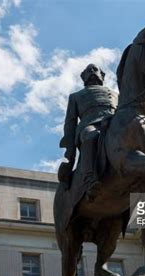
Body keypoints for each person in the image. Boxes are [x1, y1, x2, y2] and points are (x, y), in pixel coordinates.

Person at [58, 64, 118, 201]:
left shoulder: (116, 94)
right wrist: (69, 148)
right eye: (88, 71)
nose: (91, 71)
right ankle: (90, 179)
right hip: (90, 125)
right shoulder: (75, 96)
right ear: (83, 77)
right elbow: (70, 122)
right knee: (92, 137)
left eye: (95, 69)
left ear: (102, 76)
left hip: (113, 124)